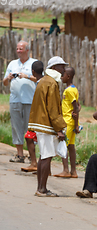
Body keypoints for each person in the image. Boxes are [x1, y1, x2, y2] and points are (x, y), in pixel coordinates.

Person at [27, 56, 68, 197]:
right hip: (47, 125)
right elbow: (53, 109)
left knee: (44, 156)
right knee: (47, 156)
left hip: (41, 123)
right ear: (54, 67)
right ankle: (42, 189)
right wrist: (59, 129)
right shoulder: (51, 82)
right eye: (62, 67)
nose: (64, 70)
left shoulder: (44, 81)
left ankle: (41, 188)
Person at [3, 40, 37, 163]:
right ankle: (19, 154)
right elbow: (4, 83)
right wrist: (9, 77)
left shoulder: (34, 63)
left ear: (27, 50)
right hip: (15, 100)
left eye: (21, 49)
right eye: (17, 48)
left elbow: (40, 79)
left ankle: (30, 154)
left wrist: (26, 76)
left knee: (30, 128)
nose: (18, 51)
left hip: (30, 100)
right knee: (16, 127)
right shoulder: (12, 64)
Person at [54, 67, 81, 178]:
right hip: (71, 122)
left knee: (63, 144)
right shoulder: (74, 89)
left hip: (68, 122)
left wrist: (76, 124)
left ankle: (66, 170)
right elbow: (78, 106)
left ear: (68, 76)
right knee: (71, 146)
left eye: (63, 74)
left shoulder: (69, 91)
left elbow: (75, 108)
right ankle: (73, 171)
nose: (61, 77)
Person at [21, 60, 44, 173]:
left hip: (41, 118)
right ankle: (35, 163)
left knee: (42, 141)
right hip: (37, 116)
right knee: (29, 137)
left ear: (33, 72)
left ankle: (42, 166)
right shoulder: (41, 82)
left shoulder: (42, 84)